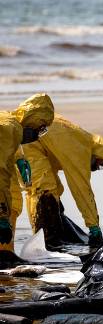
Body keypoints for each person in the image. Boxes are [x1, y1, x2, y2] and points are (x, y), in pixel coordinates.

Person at [19, 115, 103, 248]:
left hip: (31, 141)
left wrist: (57, 204)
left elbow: (51, 162)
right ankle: (45, 243)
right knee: (43, 192)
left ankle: (47, 241)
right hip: (28, 143)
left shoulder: (81, 138)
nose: (97, 168)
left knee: (52, 193)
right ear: (98, 154)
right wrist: (93, 227)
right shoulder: (80, 150)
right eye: (100, 163)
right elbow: (81, 191)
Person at [0, 93, 55, 256]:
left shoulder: (7, 120)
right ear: (33, 119)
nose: (38, 135)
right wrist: (2, 215)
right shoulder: (12, 127)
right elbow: (0, 173)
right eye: (41, 128)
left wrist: (19, 157)